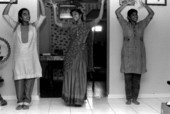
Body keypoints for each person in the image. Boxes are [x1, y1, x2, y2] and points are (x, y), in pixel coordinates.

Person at [49, 0, 105, 106]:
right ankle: (69, 98)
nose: (73, 16)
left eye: (75, 14)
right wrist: (54, 8)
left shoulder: (87, 25)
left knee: (80, 75)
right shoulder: (71, 26)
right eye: (72, 15)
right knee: (70, 74)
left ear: (80, 15)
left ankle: (78, 99)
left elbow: (99, 18)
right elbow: (57, 23)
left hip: (82, 54)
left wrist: (102, 4)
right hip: (71, 54)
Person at [2, 0, 46, 110]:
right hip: (19, 59)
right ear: (20, 17)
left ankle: (27, 100)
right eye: (25, 14)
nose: (28, 16)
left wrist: (40, 1)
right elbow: (5, 14)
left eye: (28, 14)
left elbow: (43, 15)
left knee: (30, 79)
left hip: (31, 58)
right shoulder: (15, 25)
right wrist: (10, 3)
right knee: (19, 80)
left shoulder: (34, 26)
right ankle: (19, 100)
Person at [115, 1, 154, 105]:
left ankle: (135, 98)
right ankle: (128, 99)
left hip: (139, 56)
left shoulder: (142, 24)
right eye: (133, 15)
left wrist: (145, 6)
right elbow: (117, 13)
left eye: (136, 15)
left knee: (137, 79)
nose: (135, 17)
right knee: (128, 79)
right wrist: (125, 5)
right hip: (127, 56)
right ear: (128, 17)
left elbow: (151, 14)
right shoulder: (124, 25)